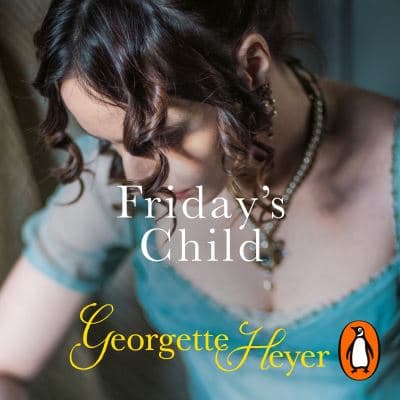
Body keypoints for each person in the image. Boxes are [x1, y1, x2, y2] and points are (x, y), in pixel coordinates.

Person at [0, 1, 399, 399]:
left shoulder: (388, 166)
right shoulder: (116, 175)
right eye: (110, 142)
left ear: (252, 67)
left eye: (160, 136)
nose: (137, 178)